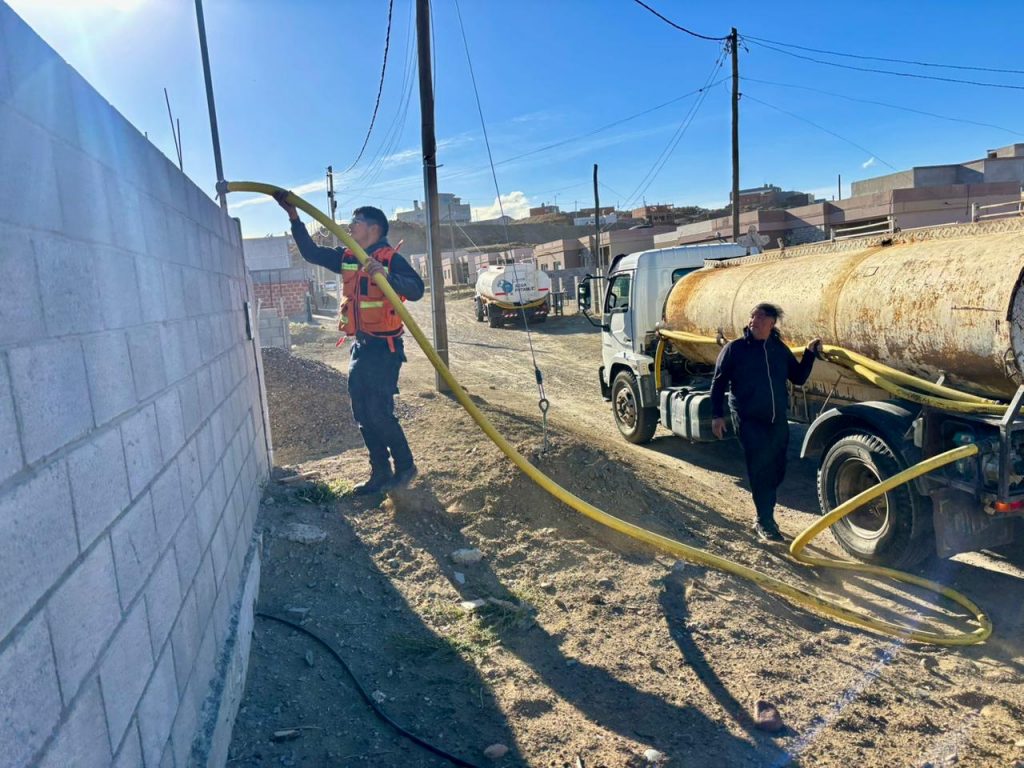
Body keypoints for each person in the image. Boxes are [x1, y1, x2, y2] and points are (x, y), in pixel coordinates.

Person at [275, 191, 425, 495]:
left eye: (356, 222)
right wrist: (294, 217)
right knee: (361, 411)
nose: (350, 225)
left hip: (386, 350)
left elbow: (417, 288)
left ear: (374, 229)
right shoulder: (347, 256)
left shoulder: (388, 258)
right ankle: (380, 473)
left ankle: (405, 466)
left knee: (379, 411)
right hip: (361, 346)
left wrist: (387, 276)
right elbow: (311, 253)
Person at [710, 303, 823, 543]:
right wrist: (717, 416)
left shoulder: (778, 349)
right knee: (760, 469)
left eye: (761, 318)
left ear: (771, 325)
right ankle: (764, 520)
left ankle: (765, 509)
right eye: (752, 317)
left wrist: (810, 354)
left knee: (778, 468)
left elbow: (798, 377)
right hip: (748, 419)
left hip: (777, 419)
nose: (754, 321)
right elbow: (718, 384)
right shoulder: (735, 349)